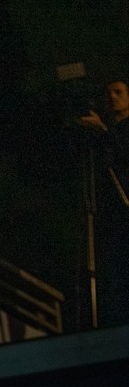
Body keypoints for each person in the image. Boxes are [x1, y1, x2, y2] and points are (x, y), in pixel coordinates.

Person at [79, 79, 129, 325]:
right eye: (109, 93)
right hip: (113, 216)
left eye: (119, 92)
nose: (113, 97)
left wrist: (103, 133)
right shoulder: (107, 131)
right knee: (116, 276)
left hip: (125, 206)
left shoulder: (118, 131)